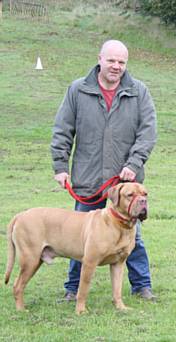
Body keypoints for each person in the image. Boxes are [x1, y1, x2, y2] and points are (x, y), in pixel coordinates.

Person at [51, 40, 158, 301]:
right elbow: (62, 129)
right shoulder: (78, 90)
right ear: (100, 59)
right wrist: (60, 166)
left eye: (121, 62)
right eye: (111, 61)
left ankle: (142, 286)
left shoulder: (138, 91)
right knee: (80, 238)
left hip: (124, 185)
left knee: (134, 239)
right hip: (88, 181)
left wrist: (133, 164)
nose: (116, 67)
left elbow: (148, 132)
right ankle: (72, 288)